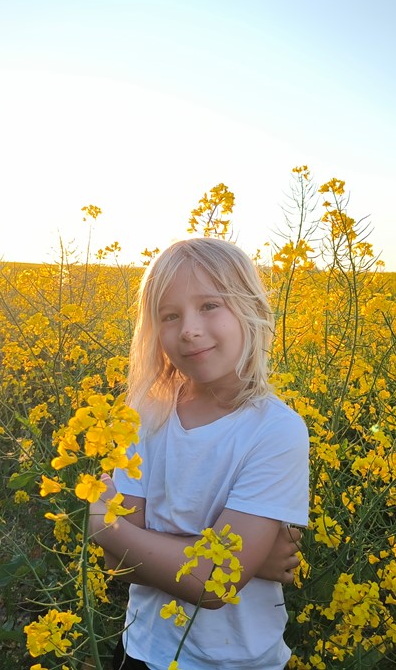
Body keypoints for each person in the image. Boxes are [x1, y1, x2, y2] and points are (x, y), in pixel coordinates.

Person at [88, 238, 310, 669]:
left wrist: (103, 525)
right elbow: (117, 566)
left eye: (209, 305)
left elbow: (212, 583)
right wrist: (251, 559)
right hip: (145, 649)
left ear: (252, 310)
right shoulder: (144, 413)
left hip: (239, 662)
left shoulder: (277, 430)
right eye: (170, 316)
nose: (188, 329)